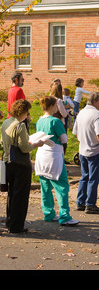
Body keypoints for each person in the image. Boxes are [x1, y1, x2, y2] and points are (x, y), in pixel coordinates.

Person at [1, 99, 45, 233]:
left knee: (12, 194)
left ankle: (10, 222)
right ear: (25, 111)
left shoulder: (6, 122)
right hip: (20, 164)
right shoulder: (20, 126)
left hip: (8, 160)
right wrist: (37, 144)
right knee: (21, 195)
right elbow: (25, 148)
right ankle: (17, 226)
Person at [35, 96, 79, 226]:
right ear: (51, 106)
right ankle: (65, 216)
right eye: (55, 105)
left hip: (41, 155)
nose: (57, 107)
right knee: (62, 187)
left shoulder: (39, 121)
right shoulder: (56, 121)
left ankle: (48, 213)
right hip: (54, 156)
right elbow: (64, 139)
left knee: (45, 187)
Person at [72, 92, 99, 214]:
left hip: (82, 148)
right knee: (93, 178)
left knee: (84, 176)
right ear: (95, 101)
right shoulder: (97, 114)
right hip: (94, 149)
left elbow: (75, 132)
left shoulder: (81, 112)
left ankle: (80, 201)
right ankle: (90, 204)